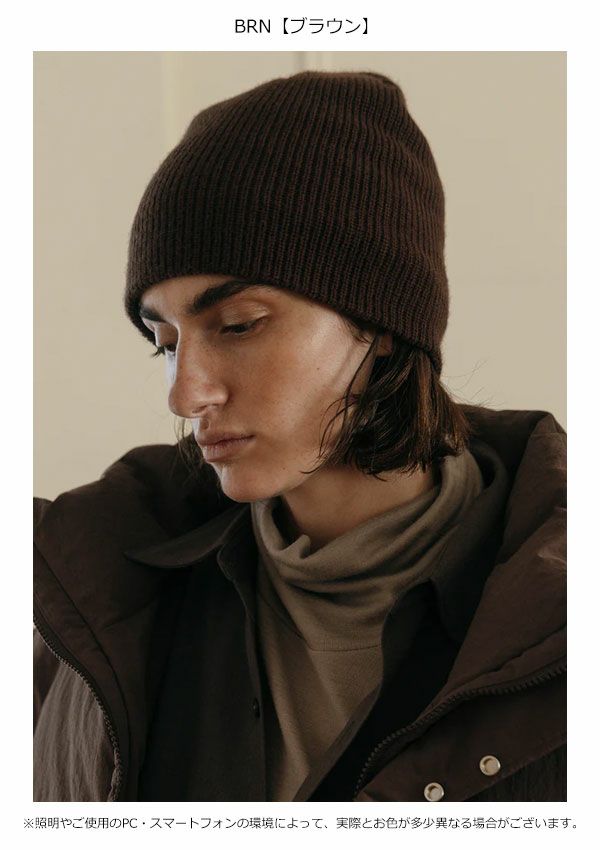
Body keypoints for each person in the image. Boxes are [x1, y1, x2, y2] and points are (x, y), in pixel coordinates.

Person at [33, 70, 566, 802]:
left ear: (381, 324)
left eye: (238, 325)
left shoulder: (562, 622)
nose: (186, 395)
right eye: (166, 343)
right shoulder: (88, 603)